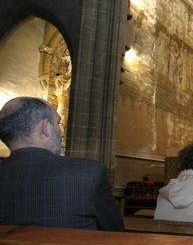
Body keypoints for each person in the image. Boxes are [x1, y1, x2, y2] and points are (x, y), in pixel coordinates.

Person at [0, 97, 123, 230]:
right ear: (45, 127)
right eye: (58, 123)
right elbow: (116, 230)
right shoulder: (88, 174)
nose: (62, 133)